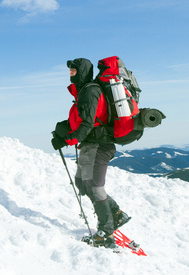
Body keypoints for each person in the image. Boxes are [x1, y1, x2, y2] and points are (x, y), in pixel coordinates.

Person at [51, 58, 131, 248]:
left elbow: (87, 124)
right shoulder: (84, 92)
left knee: (94, 187)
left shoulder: (90, 91)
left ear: (83, 71)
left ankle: (106, 233)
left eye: (74, 71)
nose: (71, 74)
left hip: (98, 145)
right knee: (82, 183)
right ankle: (117, 214)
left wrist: (67, 139)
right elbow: (83, 119)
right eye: (70, 71)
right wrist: (62, 130)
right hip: (91, 145)